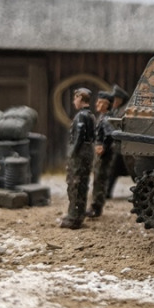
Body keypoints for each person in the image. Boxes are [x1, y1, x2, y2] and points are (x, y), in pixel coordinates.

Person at [60, 87, 95, 229]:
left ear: (80, 98)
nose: (74, 101)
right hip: (88, 151)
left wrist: (72, 152)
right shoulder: (91, 116)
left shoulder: (81, 116)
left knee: (75, 184)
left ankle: (74, 217)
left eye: (75, 98)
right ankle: (78, 214)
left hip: (80, 153)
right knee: (82, 184)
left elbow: (79, 135)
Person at [87, 90, 115, 218]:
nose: (97, 104)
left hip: (104, 154)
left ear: (106, 104)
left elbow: (110, 135)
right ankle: (95, 205)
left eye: (100, 102)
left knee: (99, 180)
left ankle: (96, 207)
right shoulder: (102, 117)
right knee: (97, 178)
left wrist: (103, 146)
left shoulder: (107, 119)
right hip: (100, 153)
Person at [105, 84, 130, 199]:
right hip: (117, 146)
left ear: (119, 99)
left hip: (121, 147)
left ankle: (106, 192)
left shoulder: (125, 110)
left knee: (112, 169)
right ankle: (106, 192)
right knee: (111, 170)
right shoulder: (117, 109)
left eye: (114, 99)